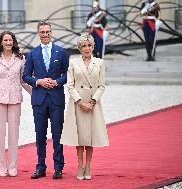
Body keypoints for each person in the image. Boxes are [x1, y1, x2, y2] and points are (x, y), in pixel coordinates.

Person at [22, 20, 69, 179]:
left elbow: (67, 74)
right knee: (40, 135)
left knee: (57, 134)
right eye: (42, 32)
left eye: (47, 31)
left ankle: (58, 167)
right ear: (38, 34)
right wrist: (38, 82)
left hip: (56, 99)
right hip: (39, 100)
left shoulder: (61, 52)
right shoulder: (32, 53)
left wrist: (56, 82)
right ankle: (40, 167)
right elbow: (26, 76)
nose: (45, 34)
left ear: (51, 32)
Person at [60, 34, 109, 180]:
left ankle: (88, 165)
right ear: (79, 48)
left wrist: (93, 102)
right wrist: (80, 102)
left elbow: (101, 85)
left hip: (93, 104)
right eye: (83, 46)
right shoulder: (73, 63)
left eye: (89, 46)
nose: (87, 48)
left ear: (93, 47)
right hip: (78, 104)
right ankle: (80, 165)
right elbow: (70, 85)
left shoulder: (100, 63)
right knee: (80, 137)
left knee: (90, 137)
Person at [0, 31, 32, 177]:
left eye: (10, 40)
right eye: (5, 40)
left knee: (14, 135)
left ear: (13, 42)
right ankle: (1, 167)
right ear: (1, 42)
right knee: (0, 134)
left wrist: (35, 94)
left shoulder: (21, 58)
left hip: (15, 98)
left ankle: (13, 167)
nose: (8, 42)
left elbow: (23, 80)